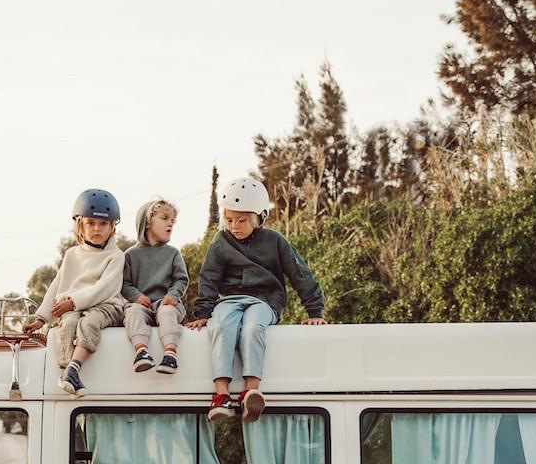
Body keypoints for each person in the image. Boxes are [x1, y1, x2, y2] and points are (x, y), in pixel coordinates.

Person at [186, 177, 326, 421]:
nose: (234, 226)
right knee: (220, 326)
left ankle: (251, 390)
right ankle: (221, 395)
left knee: (252, 328)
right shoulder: (220, 241)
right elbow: (208, 277)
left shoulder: (275, 241)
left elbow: (299, 273)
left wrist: (314, 312)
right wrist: (203, 314)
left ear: (258, 217)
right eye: (229, 220)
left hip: (264, 300)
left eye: (241, 220)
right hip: (229, 300)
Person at [24, 189, 125, 397]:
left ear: (112, 226)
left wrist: (73, 302)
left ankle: (73, 369)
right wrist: (41, 319)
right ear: (80, 224)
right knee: (68, 324)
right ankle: (69, 375)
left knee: (88, 323)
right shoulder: (72, 254)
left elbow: (103, 289)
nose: (97, 228)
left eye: (103, 224)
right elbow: (56, 285)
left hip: (106, 306)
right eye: (91, 223)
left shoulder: (116, 256)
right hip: (75, 306)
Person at [122, 197, 189, 373]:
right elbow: (124, 283)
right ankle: (141, 351)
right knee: (132, 312)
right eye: (165, 218)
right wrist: (136, 296)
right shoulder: (130, 255)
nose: (171, 224)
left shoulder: (173, 253)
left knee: (167, 312)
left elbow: (181, 279)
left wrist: (173, 295)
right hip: (141, 305)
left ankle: (170, 354)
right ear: (148, 222)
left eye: (173, 220)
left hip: (167, 304)